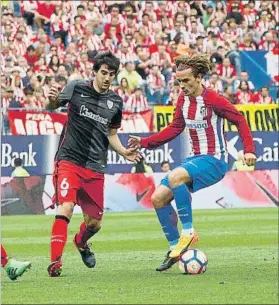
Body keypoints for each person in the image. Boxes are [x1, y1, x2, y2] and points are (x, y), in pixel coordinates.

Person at [128, 53, 256, 272]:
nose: (182, 85)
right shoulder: (182, 100)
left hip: (215, 160)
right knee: (158, 198)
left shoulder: (213, 99)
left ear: (198, 78)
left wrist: (249, 150)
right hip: (195, 159)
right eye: (179, 81)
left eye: (186, 80)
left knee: (176, 175)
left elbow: (239, 119)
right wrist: (144, 142)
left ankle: (188, 232)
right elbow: (174, 129)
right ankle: (175, 249)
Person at [46, 51, 141, 277]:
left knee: (95, 224)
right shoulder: (77, 87)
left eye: (112, 74)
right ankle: (55, 263)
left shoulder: (116, 102)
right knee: (65, 208)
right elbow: (53, 105)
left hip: (95, 167)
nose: (107, 77)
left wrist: (124, 152)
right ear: (95, 72)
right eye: (104, 73)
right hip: (69, 160)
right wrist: (51, 99)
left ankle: (81, 242)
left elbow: (111, 134)